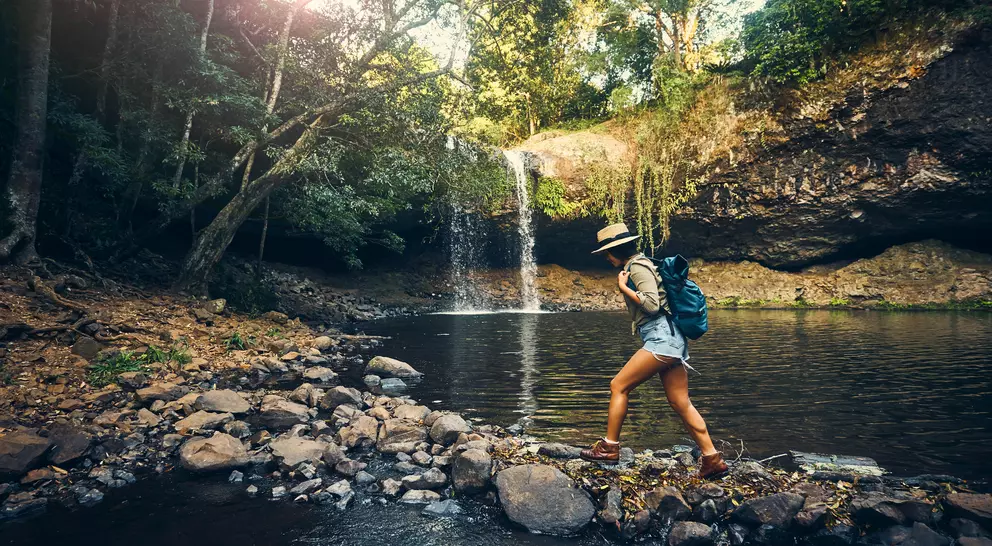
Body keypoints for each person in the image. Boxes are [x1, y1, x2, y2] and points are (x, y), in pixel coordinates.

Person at [579, 223, 728, 479]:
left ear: (617, 250)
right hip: (671, 339)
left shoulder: (636, 266)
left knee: (618, 386)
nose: (606, 257)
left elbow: (651, 305)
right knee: (680, 402)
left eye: (607, 252)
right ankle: (711, 459)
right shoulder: (640, 264)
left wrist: (624, 288)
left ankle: (609, 447)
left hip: (662, 338)